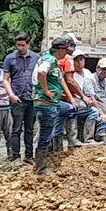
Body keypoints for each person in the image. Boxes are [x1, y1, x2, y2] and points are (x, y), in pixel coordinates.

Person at [32, 33, 77, 174]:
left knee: (68, 112)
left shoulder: (54, 61)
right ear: (59, 50)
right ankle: (40, 167)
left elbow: (60, 79)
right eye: (65, 50)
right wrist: (46, 90)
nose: (67, 53)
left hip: (52, 104)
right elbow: (41, 72)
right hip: (46, 104)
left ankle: (46, 160)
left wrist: (70, 98)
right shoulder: (49, 59)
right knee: (45, 134)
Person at [0, 33, 39, 162]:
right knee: (16, 129)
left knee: (29, 128)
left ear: (28, 44)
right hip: (17, 98)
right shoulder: (10, 59)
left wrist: (37, 92)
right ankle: (15, 156)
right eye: (18, 45)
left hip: (31, 98)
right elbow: (5, 79)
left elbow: (40, 77)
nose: (20, 48)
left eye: (23, 45)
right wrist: (11, 95)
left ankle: (29, 156)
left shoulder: (36, 58)